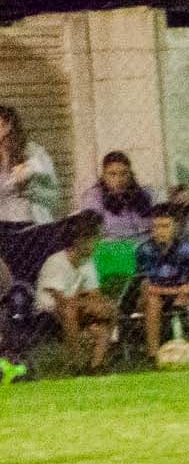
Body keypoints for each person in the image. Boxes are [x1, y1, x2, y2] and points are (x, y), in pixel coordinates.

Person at [36, 213, 115, 372]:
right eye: (94, 240)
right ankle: (77, 365)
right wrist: (88, 304)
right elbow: (61, 301)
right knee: (69, 311)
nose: (97, 244)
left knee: (109, 308)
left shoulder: (87, 262)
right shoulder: (56, 261)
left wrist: (99, 306)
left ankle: (96, 366)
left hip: (78, 308)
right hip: (49, 313)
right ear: (80, 241)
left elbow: (95, 294)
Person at [136, 203, 189, 360]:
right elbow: (146, 286)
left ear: (175, 226)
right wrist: (177, 291)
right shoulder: (145, 250)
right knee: (152, 301)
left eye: (165, 226)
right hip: (155, 295)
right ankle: (153, 355)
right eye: (156, 227)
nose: (160, 231)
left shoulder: (186, 249)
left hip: (184, 294)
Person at [0, 104, 61, 225]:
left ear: (7, 126)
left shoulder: (31, 152)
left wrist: (29, 172)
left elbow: (53, 195)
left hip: (29, 223)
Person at [78, 151, 155, 240]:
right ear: (104, 176)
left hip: (146, 244)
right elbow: (90, 235)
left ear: (130, 174)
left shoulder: (144, 194)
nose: (119, 179)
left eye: (124, 173)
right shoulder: (93, 197)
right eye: (112, 174)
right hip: (113, 246)